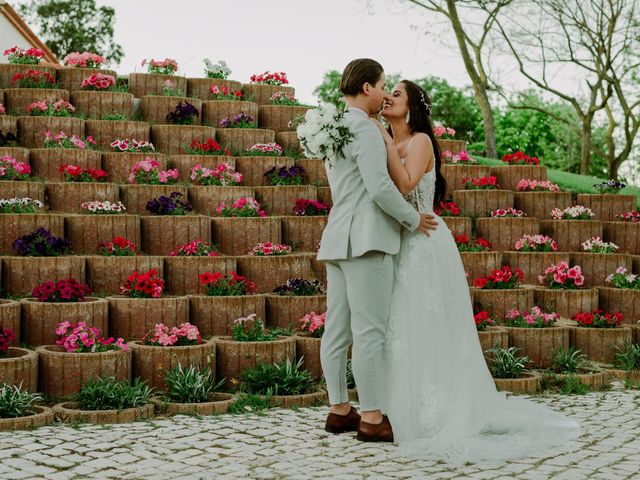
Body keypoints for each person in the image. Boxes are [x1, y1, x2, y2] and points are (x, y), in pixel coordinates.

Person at [375, 79, 581, 462]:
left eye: (396, 94)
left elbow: (404, 184)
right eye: (388, 93)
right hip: (400, 241)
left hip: (425, 242)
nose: (388, 98)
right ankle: (394, 406)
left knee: (427, 322)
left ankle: (434, 411)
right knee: (399, 325)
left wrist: (384, 140)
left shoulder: (418, 141)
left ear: (411, 107)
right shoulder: (386, 139)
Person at [317, 58, 438, 442]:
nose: (385, 93)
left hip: (337, 238)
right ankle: (370, 417)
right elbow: (381, 188)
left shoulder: (332, 127)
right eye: (383, 85)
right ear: (367, 88)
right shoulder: (366, 130)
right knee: (369, 332)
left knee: (335, 331)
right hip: (367, 240)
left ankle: (339, 409)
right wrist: (412, 220)